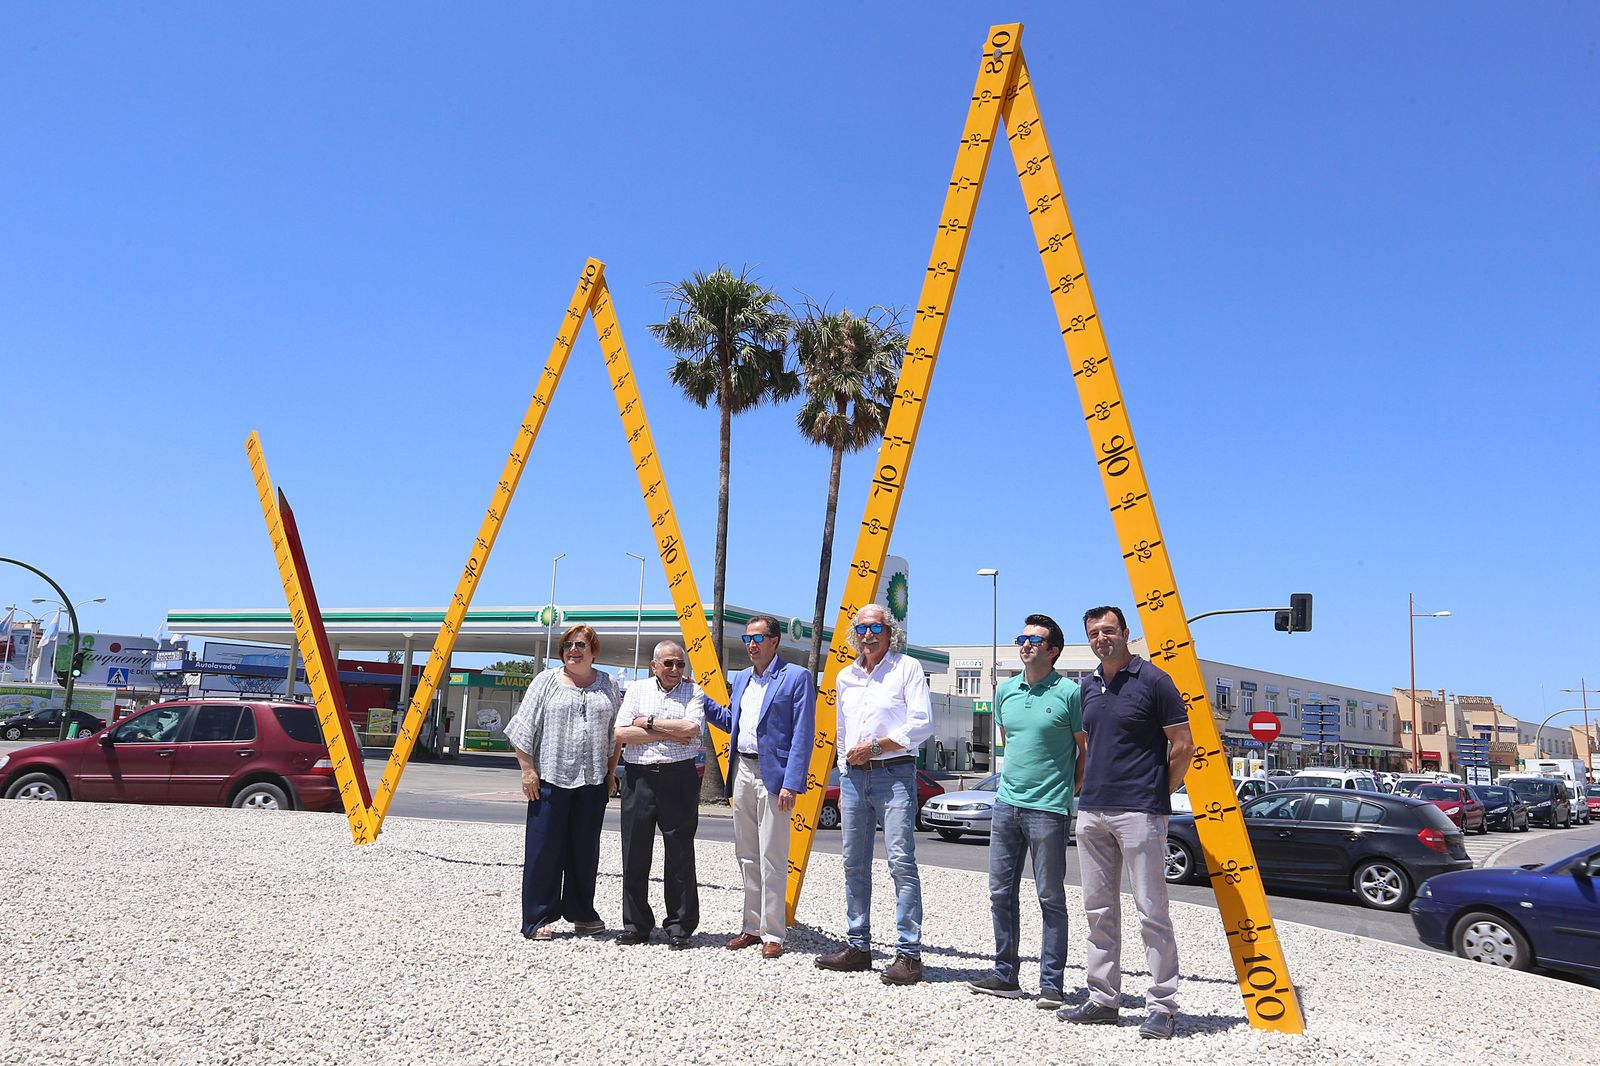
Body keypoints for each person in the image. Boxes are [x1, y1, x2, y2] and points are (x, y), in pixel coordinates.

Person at [1058, 606, 1194, 1039]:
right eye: (1094, 633)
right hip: (1093, 811)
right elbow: (1088, 747)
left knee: (1152, 911)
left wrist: (1157, 795)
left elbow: (1184, 746)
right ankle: (1102, 999)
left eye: (1109, 630)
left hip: (1140, 812)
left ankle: (1162, 1006)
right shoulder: (1088, 688)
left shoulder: (1155, 681)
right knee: (1098, 910)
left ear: (1125, 633)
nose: (1102, 638)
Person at [968, 613, 1083, 1008]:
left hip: (1049, 810)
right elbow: (1009, 741)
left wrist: (1069, 791)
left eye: (1035, 640)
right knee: (1000, 892)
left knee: (1050, 898)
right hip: (1006, 806)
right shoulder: (1006, 692)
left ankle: (1051, 983)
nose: (1025, 644)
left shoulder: (1070, 693)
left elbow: (1084, 750)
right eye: (1022, 638)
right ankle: (1005, 975)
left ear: (1052, 651)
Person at [815, 604, 933, 986]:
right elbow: (843, 729)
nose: (868, 634)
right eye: (861, 628)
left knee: (900, 861)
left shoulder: (907, 668)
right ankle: (858, 946)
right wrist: (849, 765)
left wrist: (876, 749)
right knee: (853, 863)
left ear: (889, 631)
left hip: (894, 774)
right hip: (854, 779)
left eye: (875, 627)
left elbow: (922, 724)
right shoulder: (845, 676)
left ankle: (909, 955)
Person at [703, 615, 815, 959]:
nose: (750, 644)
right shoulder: (741, 680)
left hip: (774, 778)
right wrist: (700, 699)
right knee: (747, 855)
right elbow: (730, 721)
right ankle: (750, 927)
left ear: (775, 641)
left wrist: (791, 783)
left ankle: (773, 933)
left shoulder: (797, 677)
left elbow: (803, 733)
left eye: (757, 638)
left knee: (773, 856)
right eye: (747, 638)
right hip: (742, 771)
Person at [505, 624, 622, 941]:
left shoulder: (609, 685)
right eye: (568, 644)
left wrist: (611, 772)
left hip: (593, 780)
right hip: (550, 779)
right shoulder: (546, 682)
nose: (573, 650)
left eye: (581, 644)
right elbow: (522, 727)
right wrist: (527, 770)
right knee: (544, 850)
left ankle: (582, 913)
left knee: (585, 851)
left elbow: (616, 735)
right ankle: (537, 917)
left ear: (593, 650)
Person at [611, 641, 707, 949]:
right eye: (668, 664)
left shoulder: (694, 692)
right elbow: (621, 733)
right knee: (635, 852)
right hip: (639, 778)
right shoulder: (637, 689)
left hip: (679, 777)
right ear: (654, 666)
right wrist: (670, 730)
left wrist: (648, 723)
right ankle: (636, 925)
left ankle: (679, 926)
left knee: (679, 853)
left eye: (680, 664)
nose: (675, 670)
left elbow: (691, 729)